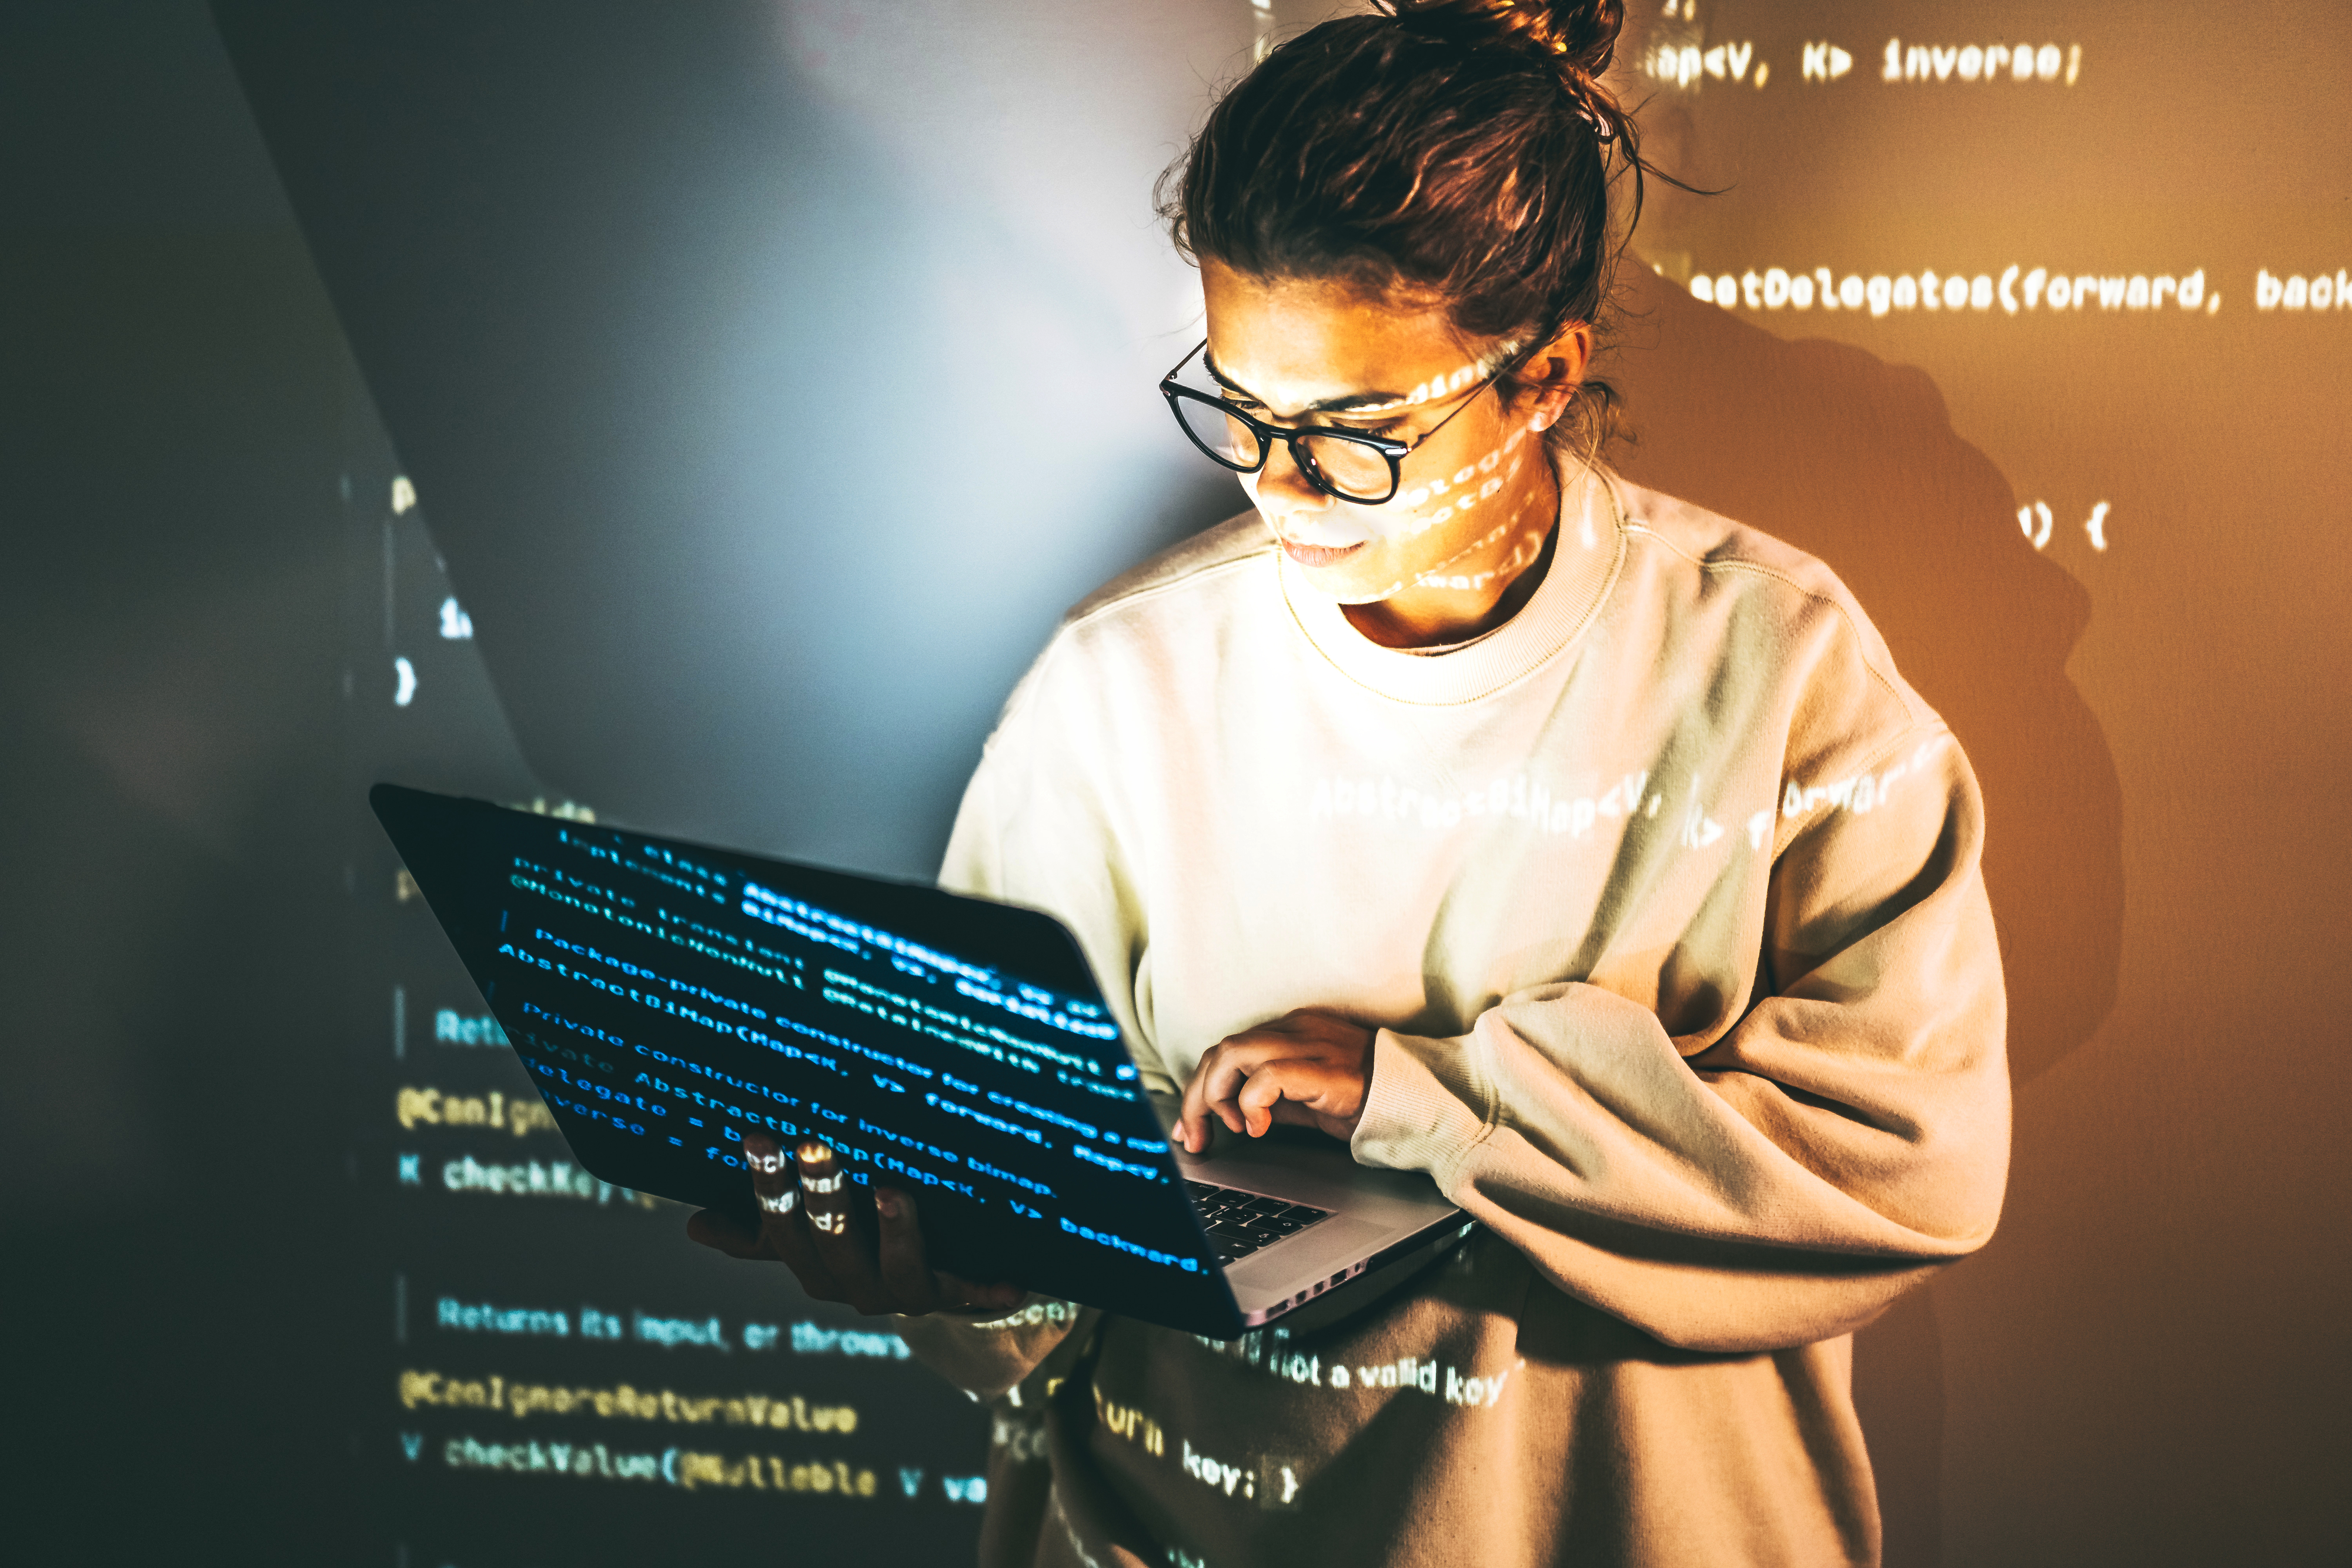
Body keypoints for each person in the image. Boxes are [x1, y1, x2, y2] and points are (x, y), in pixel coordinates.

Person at [687, 2, 2010, 1562]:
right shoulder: (1122, 690)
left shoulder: (1776, 673)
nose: (1278, 487)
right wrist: (961, 1270)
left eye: (1357, 433)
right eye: (1242, 407)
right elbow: (1038, 1266)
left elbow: (1911, 1169)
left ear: (1542, 377)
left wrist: (1417, 1095)